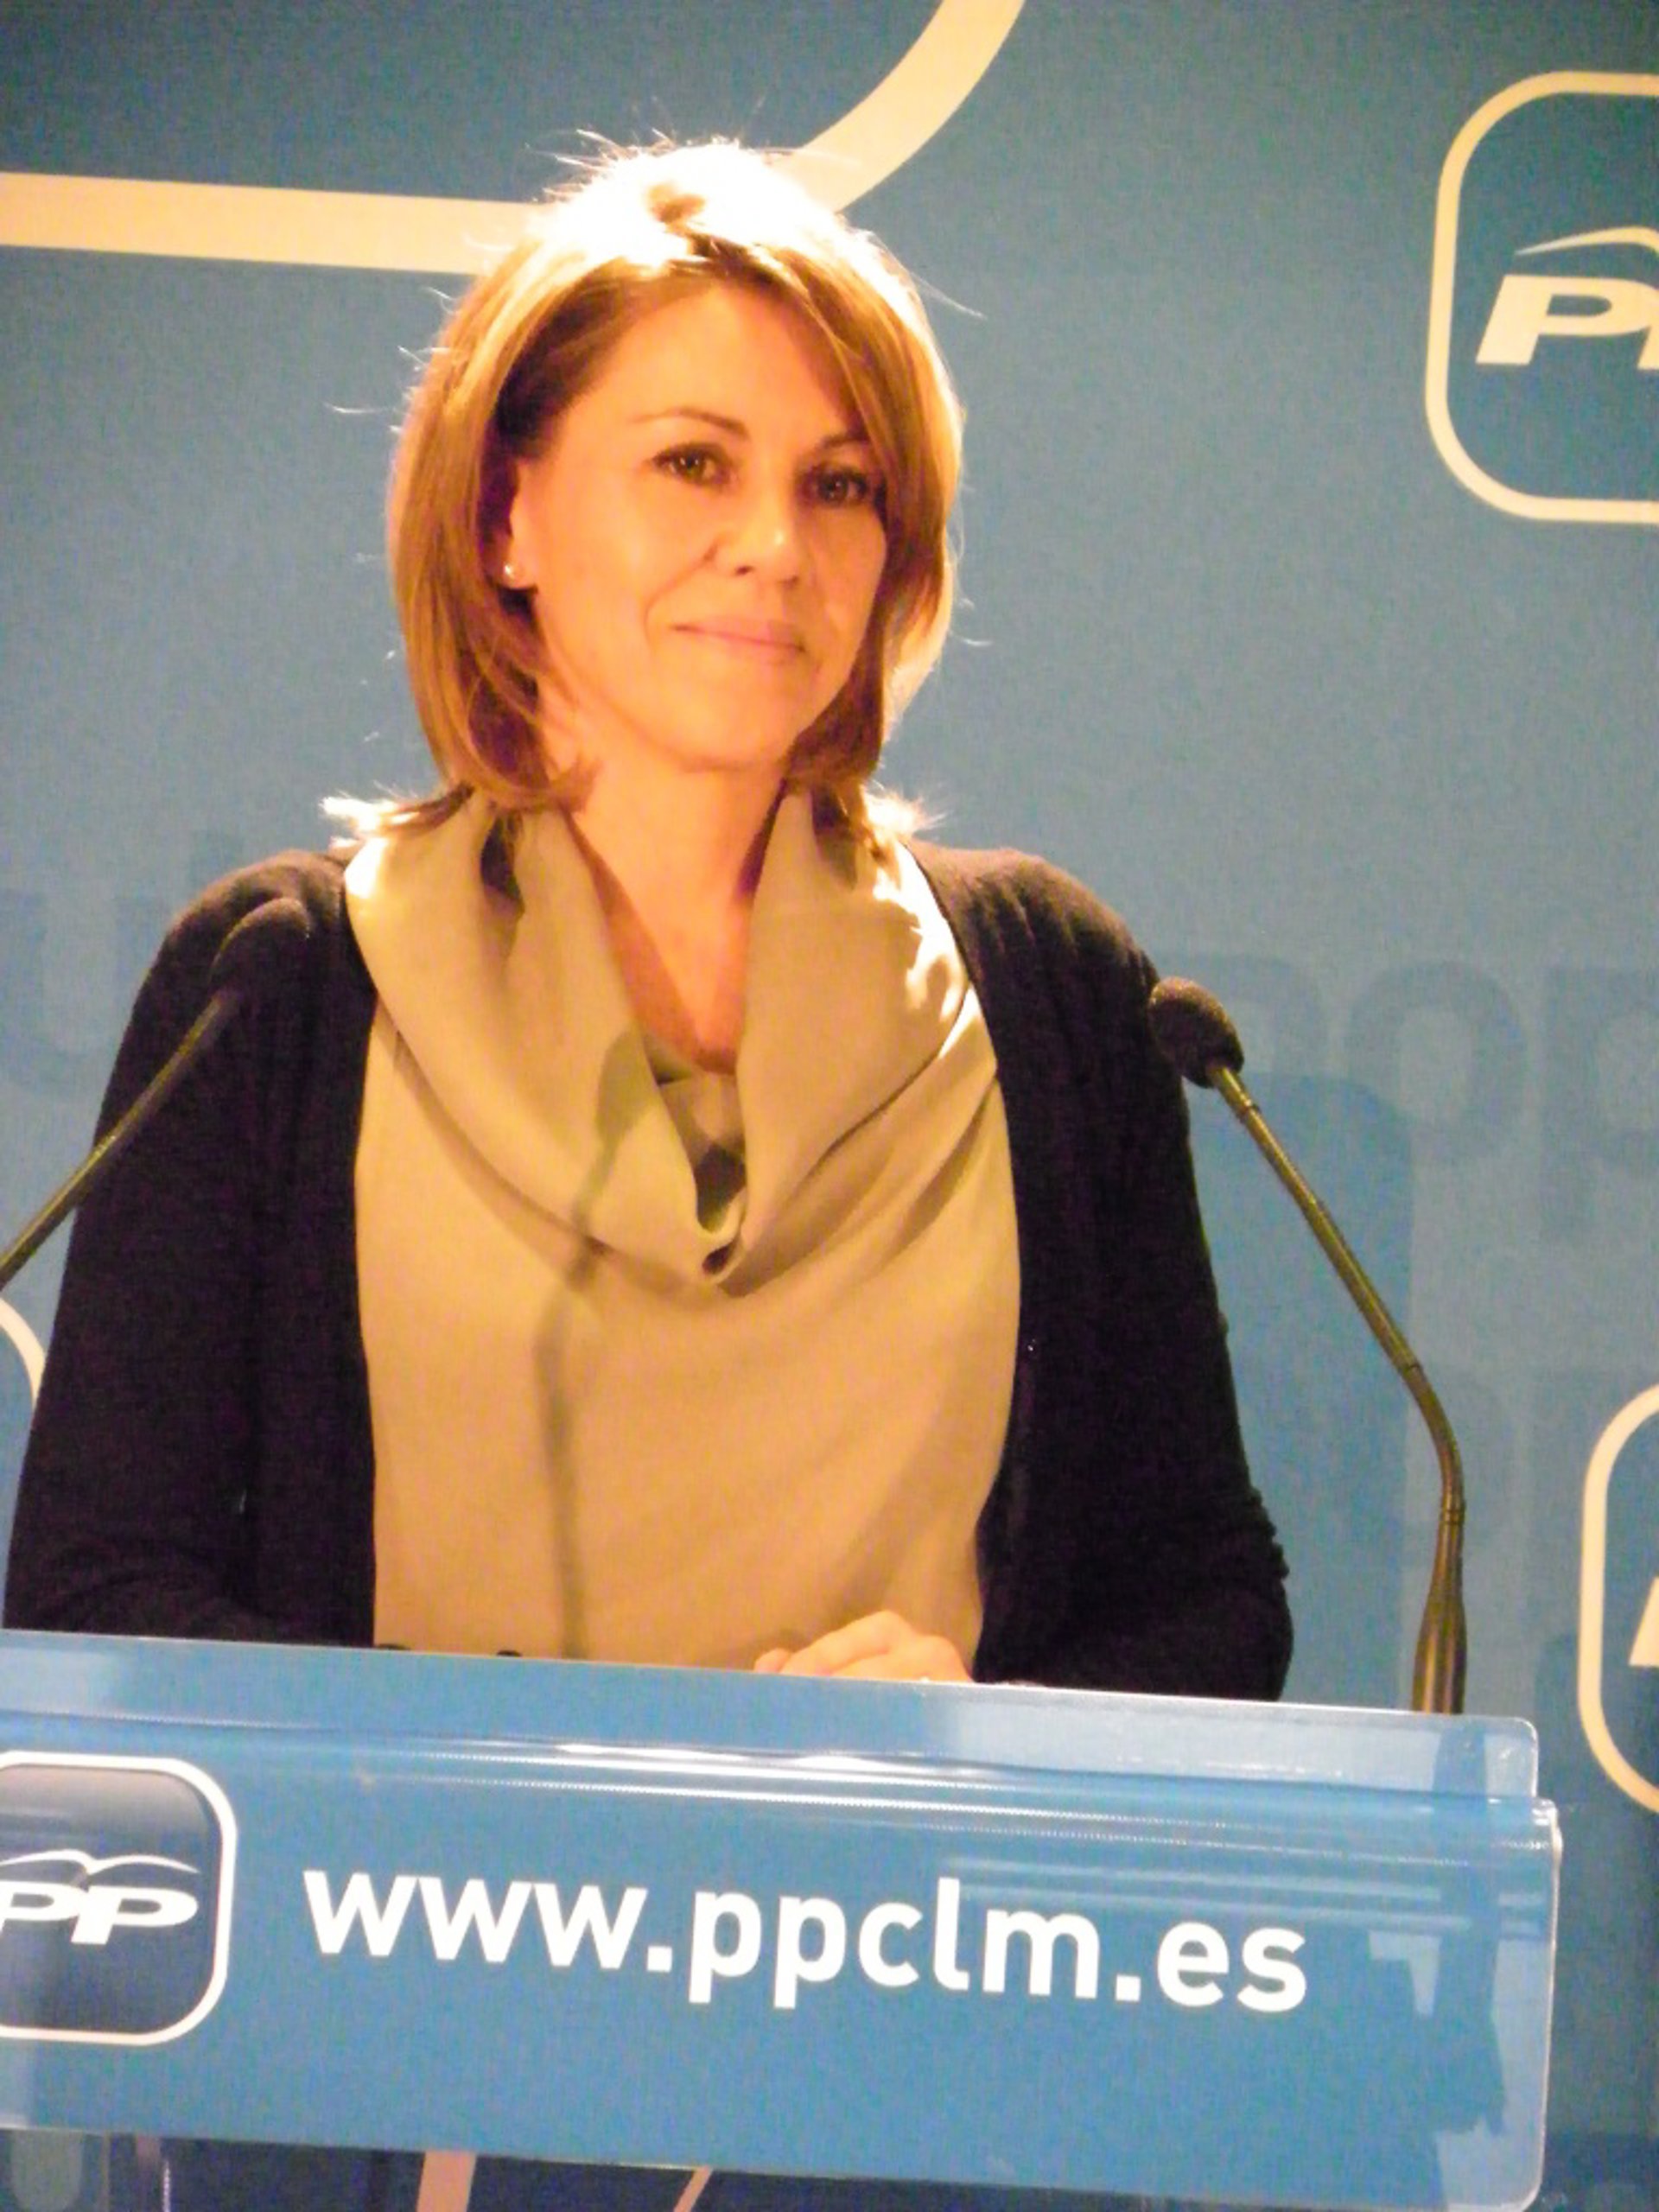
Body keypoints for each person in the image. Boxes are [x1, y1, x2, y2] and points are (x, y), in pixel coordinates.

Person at [4, 139, 1288, 2205]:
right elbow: (93, 1598)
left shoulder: (1051, 993)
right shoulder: (284, 986)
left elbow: (1211, 1601)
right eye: (694, 462)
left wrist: (976, 1723)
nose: (774, 542)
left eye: (840, 484)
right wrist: (548, 1785)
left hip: (921, 2087)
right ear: (505, 514)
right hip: (400, 2076)